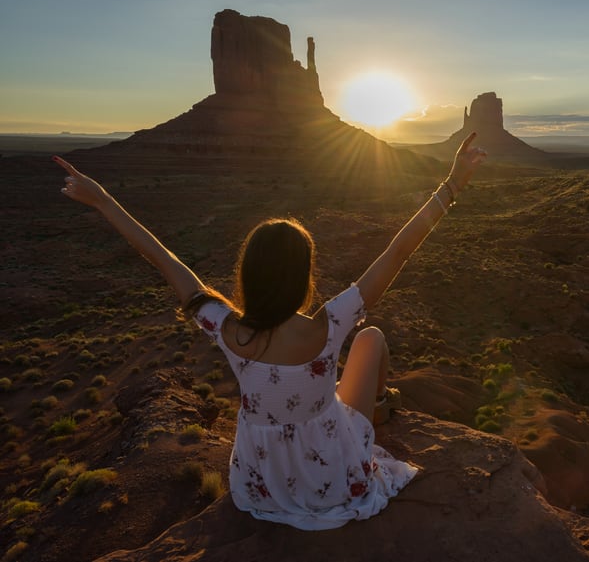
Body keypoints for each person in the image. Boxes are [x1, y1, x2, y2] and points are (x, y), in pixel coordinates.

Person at [52, 132, 487, 530]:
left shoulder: (228, 330)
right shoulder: (328, 324)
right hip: (332, 480)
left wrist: (104, 201)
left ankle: (357, 414)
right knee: (371, 338)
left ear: (249, 274)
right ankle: (378, 409)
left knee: (332, 384)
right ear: (304, 275)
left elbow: (164, 259)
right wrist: (452, 185)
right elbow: (398, 252)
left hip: (262, 486)